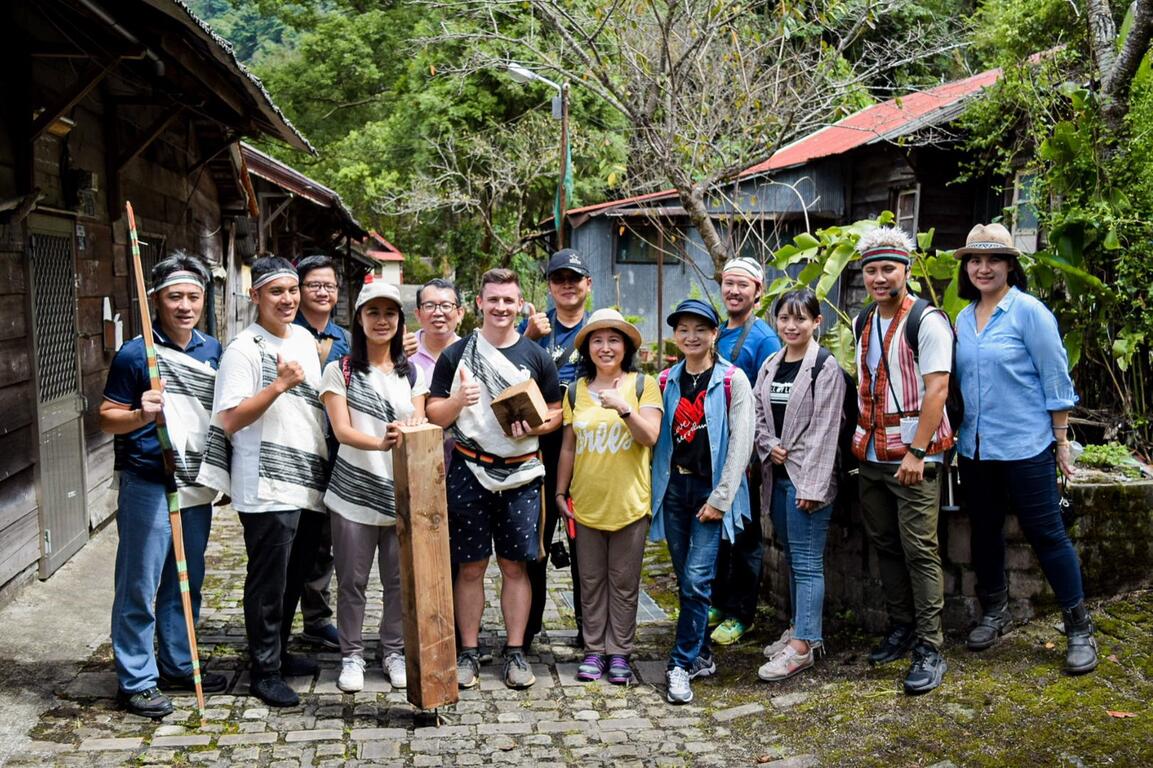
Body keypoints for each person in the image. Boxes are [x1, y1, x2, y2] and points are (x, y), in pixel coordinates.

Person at [952, 223, 1096, 674]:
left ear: (1010, 265)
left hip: (1026, 446)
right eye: (975, 260)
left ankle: (1079, 627)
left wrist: (1061, 441)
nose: (983, 267)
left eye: (993, 259)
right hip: (975, 449)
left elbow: (1056, 378)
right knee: (985, 532)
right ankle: (995, 612)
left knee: (1047, 533)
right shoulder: (961, 317)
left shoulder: (1028, 312)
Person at [99, 253, 226, 718]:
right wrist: (141, 413)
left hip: (195, 483)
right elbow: (106, 418)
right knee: (140, 582)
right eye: (175, 297)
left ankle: (177, 662)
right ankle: (136, 678)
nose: (186, 305)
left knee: (185, 581)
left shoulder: (212, 349)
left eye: (194, 296)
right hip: (149, 482)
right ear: (155, 300)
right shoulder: (136, 353)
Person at [198, 255, 327, 708]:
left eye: (292, 290)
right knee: (268, 581)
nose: (288, 299)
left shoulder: (307, 340)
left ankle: (281, 652)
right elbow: (230, 419)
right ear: (255, 296)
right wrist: (277, 386)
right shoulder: (243, 349)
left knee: (295, 576)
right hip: (266, 484)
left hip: (306, 478)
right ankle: (263, 670)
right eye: (276, 291)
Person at [427, 268, 562, 690]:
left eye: (509, 300)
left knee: (515, 566)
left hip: (522, 472)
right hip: (469, 467)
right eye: (494, 299)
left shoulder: (535, 356)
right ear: (480, 304)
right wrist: (456, 401)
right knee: (470, 567)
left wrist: (537, 427)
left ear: (520, 304)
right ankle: (467, 652)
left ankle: (516, 651)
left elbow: (557, 412)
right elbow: (433, 414)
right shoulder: (457, 355)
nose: (502, 307)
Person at [851, 227, 954, 695]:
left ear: (906, 271)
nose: (878, 277)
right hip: (871, 452)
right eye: (871, 269)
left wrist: (917, 452)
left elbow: (938, 390)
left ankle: (931, 647)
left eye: (887, 268)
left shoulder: (926, 321)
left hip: (915, 456)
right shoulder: (863, 321)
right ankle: (901, 626)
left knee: (919, 549)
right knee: (885, 545)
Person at [320, 279, 428, 693]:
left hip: (401, 493)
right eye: (373, 313)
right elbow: (342, 430)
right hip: (352, 495)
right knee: (352, 582)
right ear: (359, 319)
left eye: (389, 313)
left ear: (400, 321)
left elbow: (417, 423)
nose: (381, 321)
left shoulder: (412, 372)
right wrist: (381, 440)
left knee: (399, 581)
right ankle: (351, 656)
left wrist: (409, 433)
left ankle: (394, 651)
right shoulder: (340, 369)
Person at [651, 299, 755, 704]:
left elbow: (740, 444)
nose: (691, 337)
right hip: (674, 491)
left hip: (710, 493)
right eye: (683, 330)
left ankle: (680, 664)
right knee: (687, 580)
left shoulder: (733, 380)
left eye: (700, 329)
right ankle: (701, 654)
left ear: (714, 334)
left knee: (696, 579)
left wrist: (721, 498)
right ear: (676, 336)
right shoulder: (666, 381)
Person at [554, 309, 662, 685]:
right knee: (591, 581)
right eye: (597, 340)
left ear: (626, 346)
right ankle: (594, 651)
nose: (605, 347)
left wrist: (624, 407)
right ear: (587, 349)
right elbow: (568, 446)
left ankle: (620, 653)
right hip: (586, 503)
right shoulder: (575, 391)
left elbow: (649, 436)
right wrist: (559, 490)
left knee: (624, 582)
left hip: (630, 503)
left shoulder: (641, 385)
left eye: (613, 339)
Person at [753, 289, 846, 681]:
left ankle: (805, 645)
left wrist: (813, 486)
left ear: (816, 322)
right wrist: (769, 444)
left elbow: (825, 429)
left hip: (807, 480)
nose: (791, 326)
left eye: (800, 319)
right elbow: (758, 413)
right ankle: (798, 629)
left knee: (807, 563)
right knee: (793, 558)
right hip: (778, 478)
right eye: (785, 319)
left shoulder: (824, 367)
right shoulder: (772, 364)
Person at [521, 248, 593, 650]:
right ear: (549, 285)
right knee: (535, 541)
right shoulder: (532, 328)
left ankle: (589, 626)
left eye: (574, 278)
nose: (567, 285)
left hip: (585, 450)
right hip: (538, 446)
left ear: (588, 285)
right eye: (559, 278)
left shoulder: (599, 329)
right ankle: (528, 628)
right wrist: (528, 338)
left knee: (587, 542)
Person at [711, 256, 781, 646]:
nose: (734, 291)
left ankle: (742, 613)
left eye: (743, 285)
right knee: (721, 530)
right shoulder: (719, 331)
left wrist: (757, 454)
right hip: (717, 448)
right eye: (728, 283)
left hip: (748, 451)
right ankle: (719, 602)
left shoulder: (764, 337)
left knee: (747, 535)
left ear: (758, 290)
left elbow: (767, 400)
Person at [290, 255, 350, 651]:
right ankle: (276, 622)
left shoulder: (346, 337)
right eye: (314, 285)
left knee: (324, 542)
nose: (323, 292)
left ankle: (316, 618)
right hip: (295, 448)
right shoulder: (285, 333)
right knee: (291, 539)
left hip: (335, 450)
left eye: (329, 285)